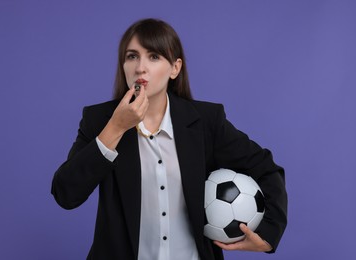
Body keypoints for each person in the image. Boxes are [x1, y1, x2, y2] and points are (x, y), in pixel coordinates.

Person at [51, 18, 287, 260]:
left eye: (153, 56)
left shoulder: (206, 121)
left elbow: (267, 168)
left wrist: (268, 234)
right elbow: (65, 194)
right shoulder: (99, 120)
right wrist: (115, 128)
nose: (140, 67)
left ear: (175, 68)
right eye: (132, 56)